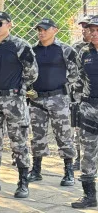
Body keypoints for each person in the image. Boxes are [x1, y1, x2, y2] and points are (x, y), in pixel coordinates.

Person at [0, 11, 39, 198]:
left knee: (18, 141)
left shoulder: (21, 47)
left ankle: (22, 183)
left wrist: (20, 88)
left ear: (9, 24)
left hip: (14, 101)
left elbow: (32, 72)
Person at [26, 18, 78, 186]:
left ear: (55, 30)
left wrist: (64, 87)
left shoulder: (65, 50)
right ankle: (36, 170)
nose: (41, 32)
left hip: (58, 99)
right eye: (39, 29)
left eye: (45, 29)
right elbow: (27, 72)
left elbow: (76, 72)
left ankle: (69, 171)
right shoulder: (32, 51)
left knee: (63, 135)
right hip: (37, 99)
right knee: (38, 135)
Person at [72, 16, 98, 208]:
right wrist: (78, 102)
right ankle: (89, 195)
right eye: (91, 30)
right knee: (87, 150)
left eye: (96, 29)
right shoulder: (85, 53)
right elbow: (79, 80)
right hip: (89, 107)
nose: (93, 33)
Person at [71, 17, 92, 170]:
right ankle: (79, 158)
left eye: (87, 26)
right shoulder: (76, 48)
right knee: (79, 128)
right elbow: (73, 73)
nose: (84, 29)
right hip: (81, 95)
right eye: (83, 26)